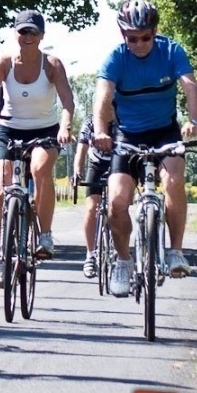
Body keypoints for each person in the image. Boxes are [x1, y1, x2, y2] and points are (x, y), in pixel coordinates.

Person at [91, 0, 197, 297]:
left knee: (175, 182)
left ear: (155, 32)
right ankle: (124, 262)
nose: (139, 43)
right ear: (122, 35)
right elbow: (102, 95)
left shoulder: (171, 51)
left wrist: (194, 121)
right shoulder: (116, 58)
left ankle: (176, 252)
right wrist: (101, 131)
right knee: (117, 201)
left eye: (145, 37)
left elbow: (190, 85)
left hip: (165, 132)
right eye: (132, 38)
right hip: (127, 135)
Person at [0, 9, 75, 288]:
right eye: (22, 32)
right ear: (15, 34)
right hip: (8, 129)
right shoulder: (4, 62)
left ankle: (45, 234)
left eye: (32, 32)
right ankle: (0, 257)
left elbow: (68, 104)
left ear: (42, 36)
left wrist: (64, 127)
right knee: (1, 188)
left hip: (44, 130)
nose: (27, 37)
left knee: (39, 168)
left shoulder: (53, 64)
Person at [72, 114, 115, 278]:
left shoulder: (121, 117)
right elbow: (81, 149)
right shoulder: (90, 121)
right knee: (91, 208)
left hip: (117, 163)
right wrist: (77, 171)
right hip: (96, 164)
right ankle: (90, 255)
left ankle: (118, 250)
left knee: (118, 206)